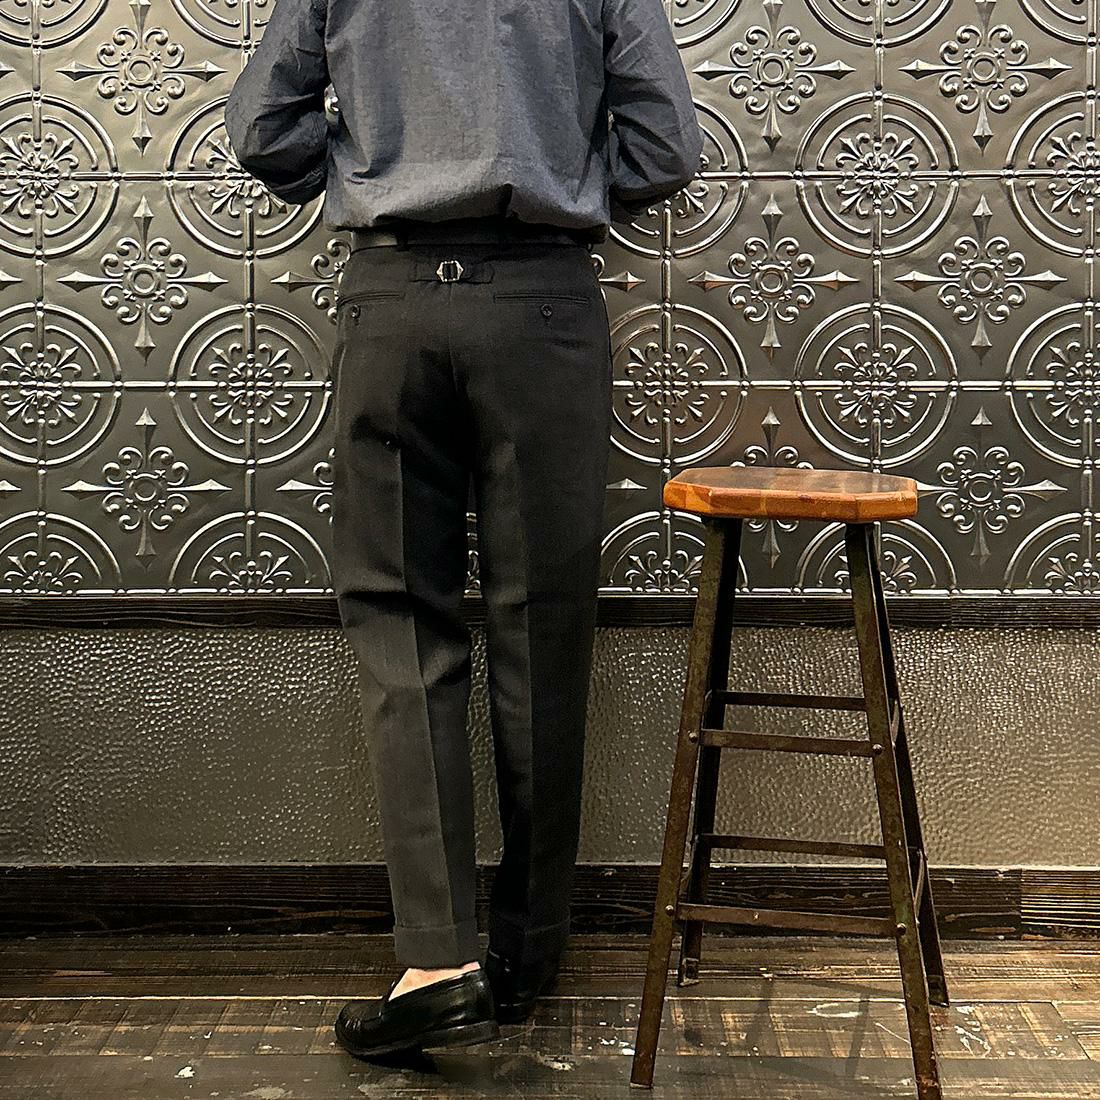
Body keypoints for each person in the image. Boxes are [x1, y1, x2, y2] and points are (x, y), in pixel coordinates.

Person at [224, 0, 702, 1059]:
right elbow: (665, 145)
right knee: (543, 628)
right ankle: (527, 957)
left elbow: (263, 128)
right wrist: (559, 181)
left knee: (401, 625)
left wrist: (373, 164)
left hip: (393, 301)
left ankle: (438, 963)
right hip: (543, 308)